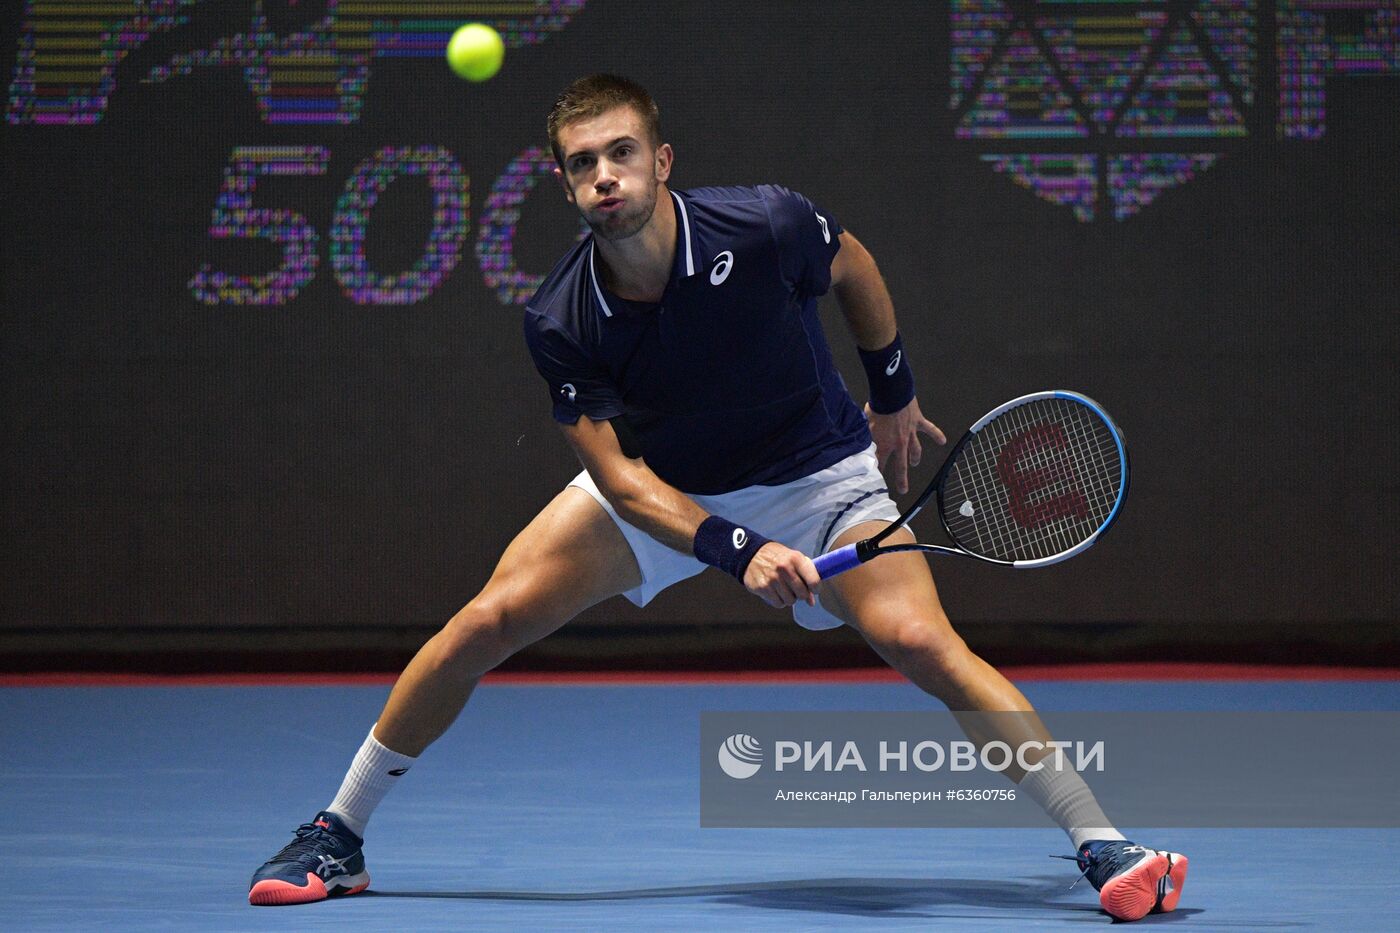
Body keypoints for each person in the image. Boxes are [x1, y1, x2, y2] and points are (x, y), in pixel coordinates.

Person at [249, 74, 1187, 921]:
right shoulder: (561, 317)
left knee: (920, 641)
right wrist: (737, 549)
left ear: (661, 161)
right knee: (484, 620)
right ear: (565, 185)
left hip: (824, 480)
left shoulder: (764, 223)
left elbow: (851, 265)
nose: (605, 176)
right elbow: (621, 479)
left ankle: (1101, 843)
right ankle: (338, 833)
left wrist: (894, 391)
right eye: (583, 164)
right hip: (671, 492)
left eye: (622, 153)